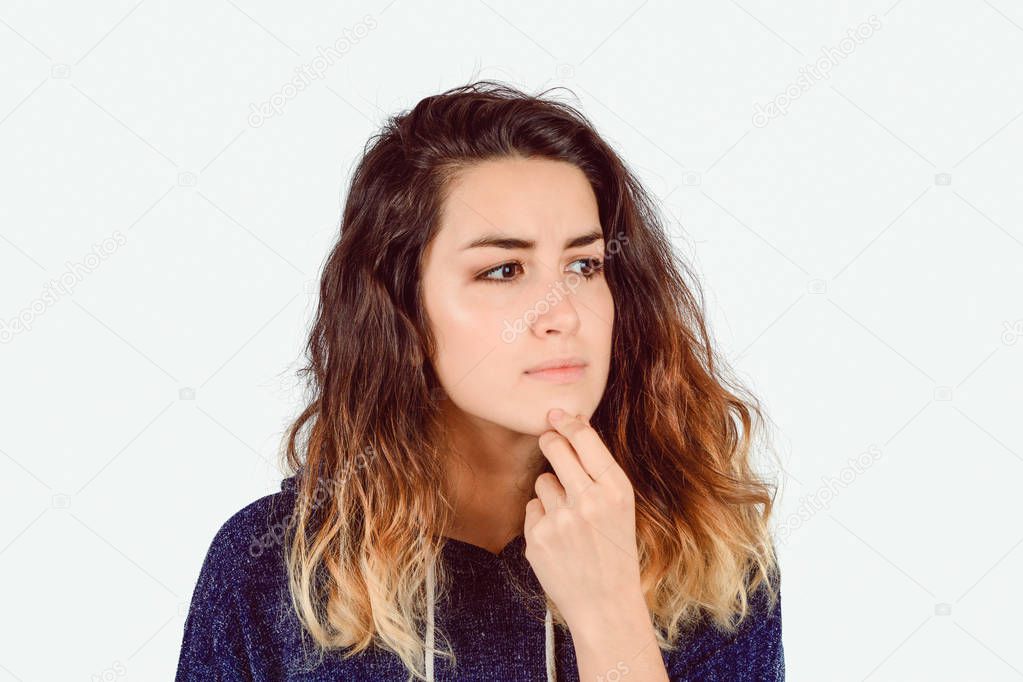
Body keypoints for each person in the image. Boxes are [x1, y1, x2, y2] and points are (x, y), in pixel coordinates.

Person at [176, 80, 785, 681]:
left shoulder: (713, 553)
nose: (564, 313)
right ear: (402, 307)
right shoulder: (272, 569)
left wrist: (609, 619)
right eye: (503, 270)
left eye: (583, 265)